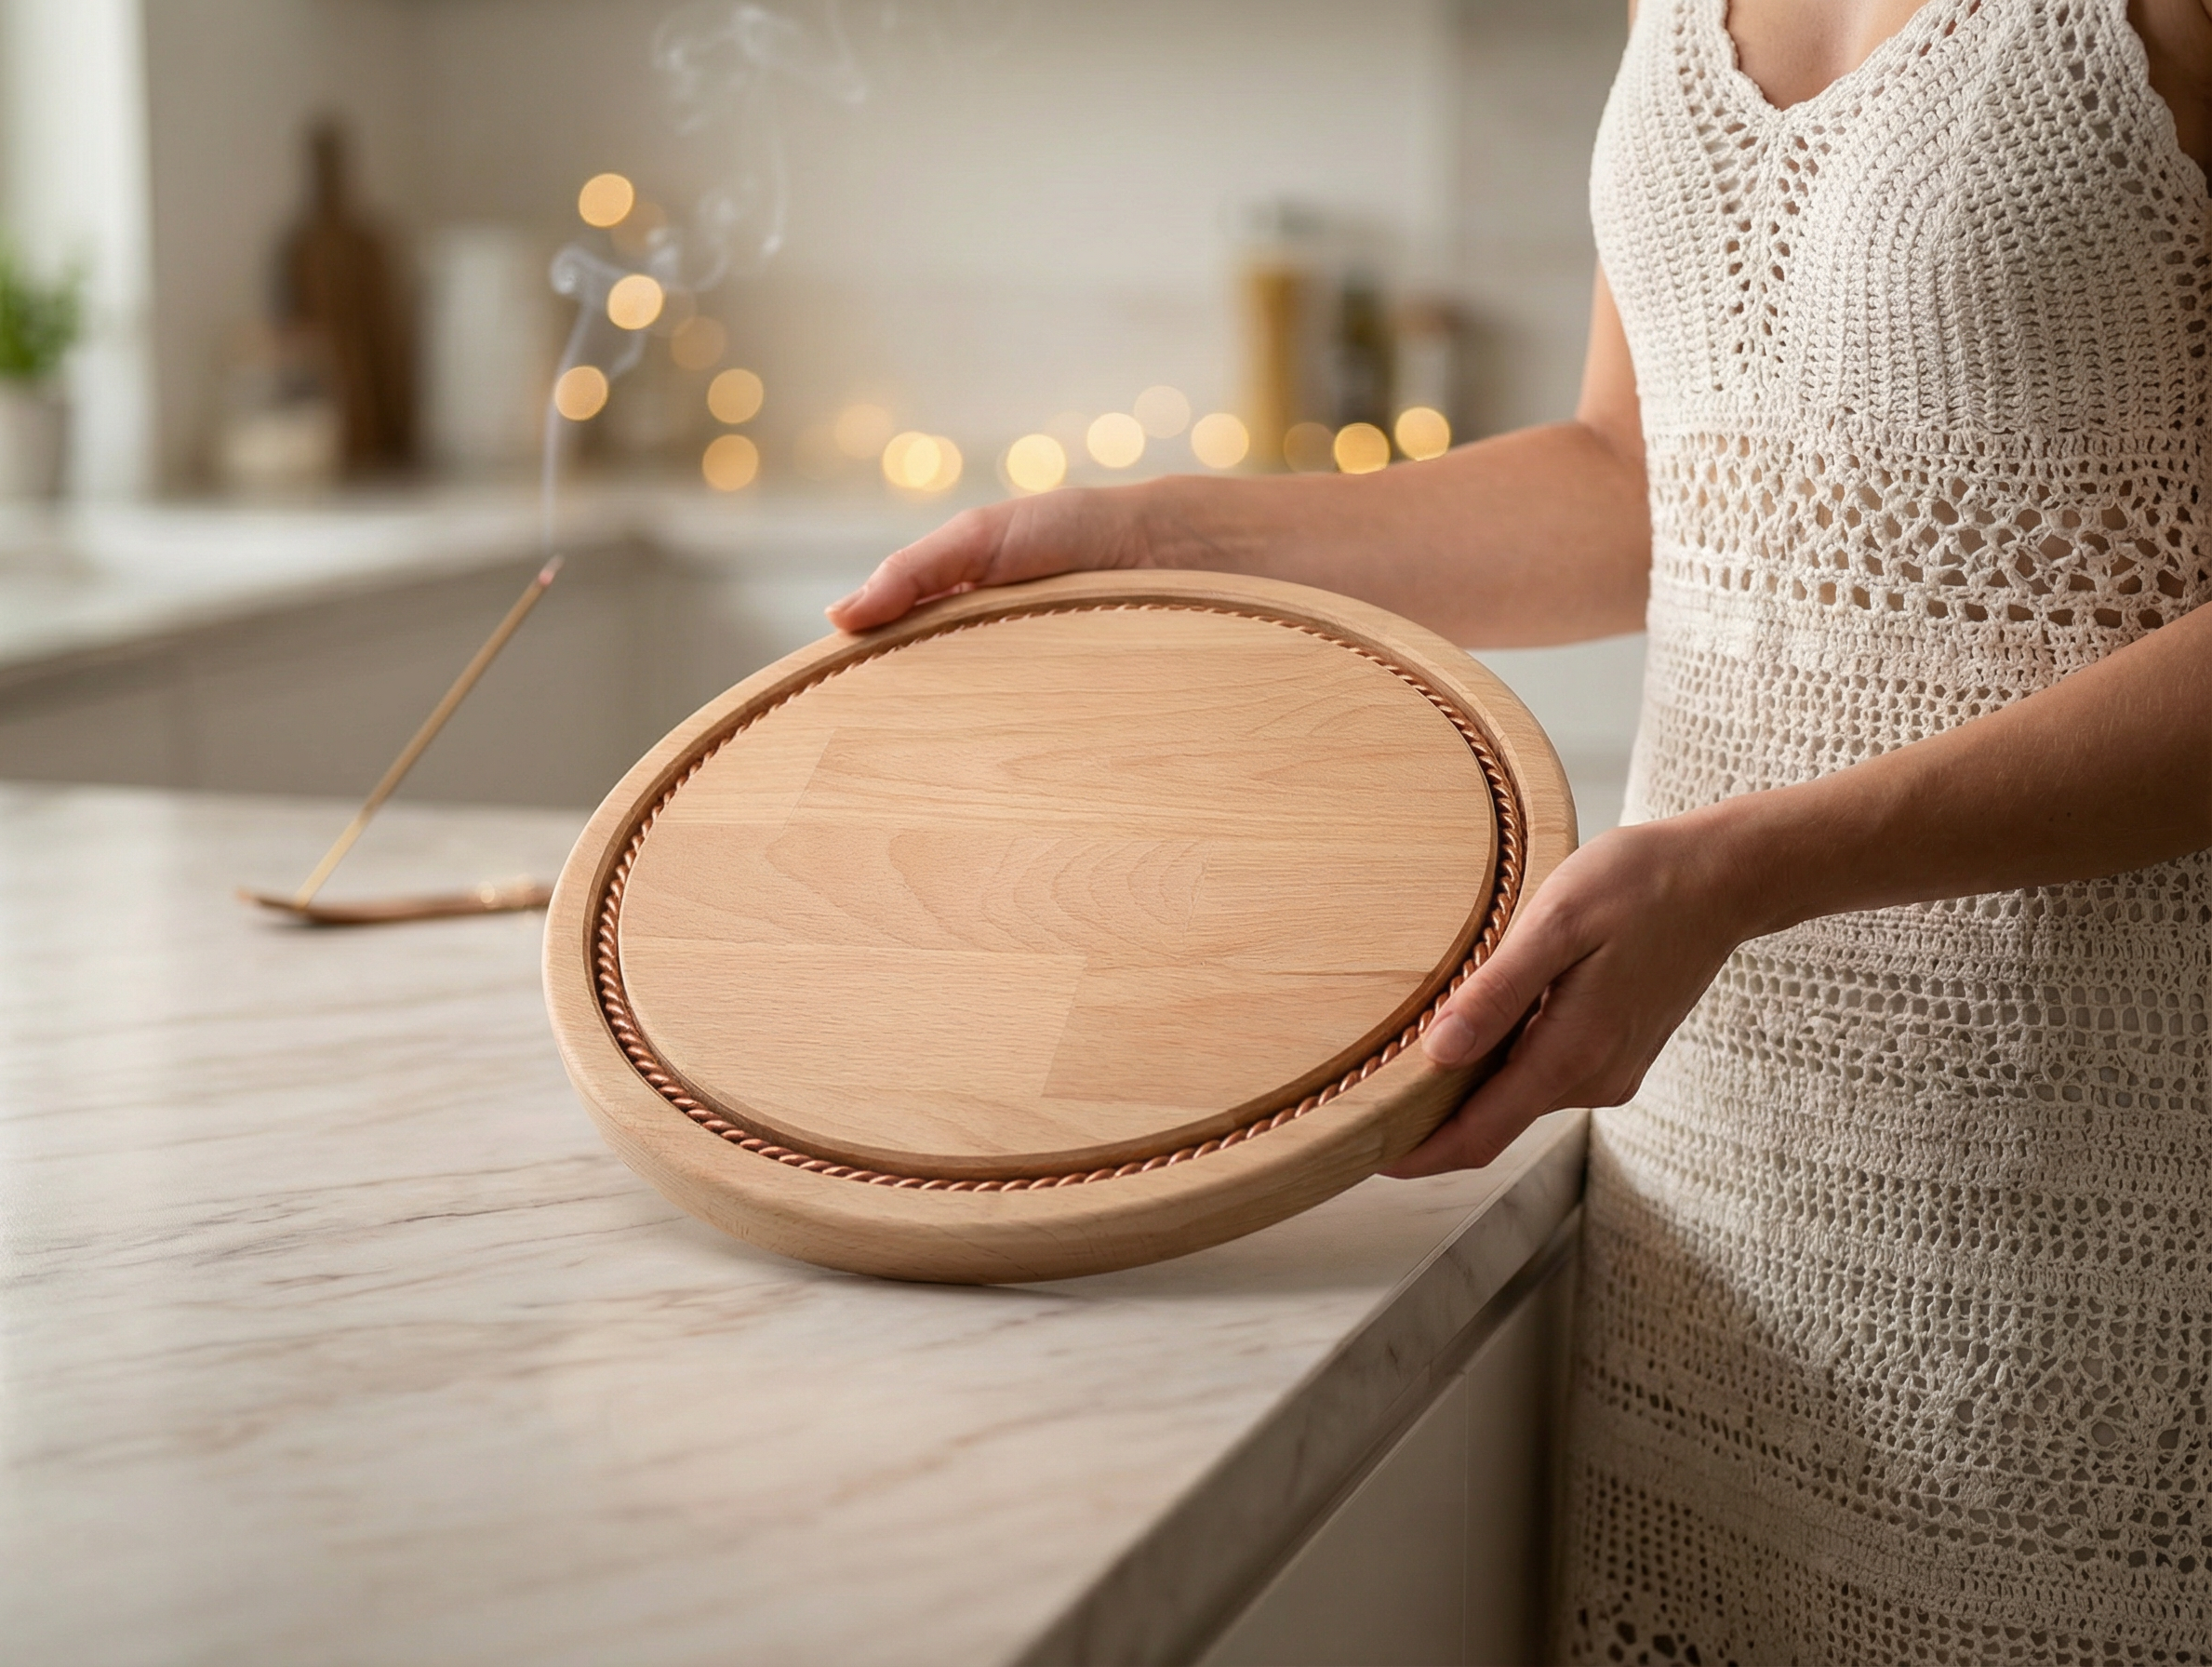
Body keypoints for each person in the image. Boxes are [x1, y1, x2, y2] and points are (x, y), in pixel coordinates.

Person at [832, 0, 2212, 1657]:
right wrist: (1148, 530)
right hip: (1708, 1176)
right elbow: (1639, 479)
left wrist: (1764, 862)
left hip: (2102, 1184)